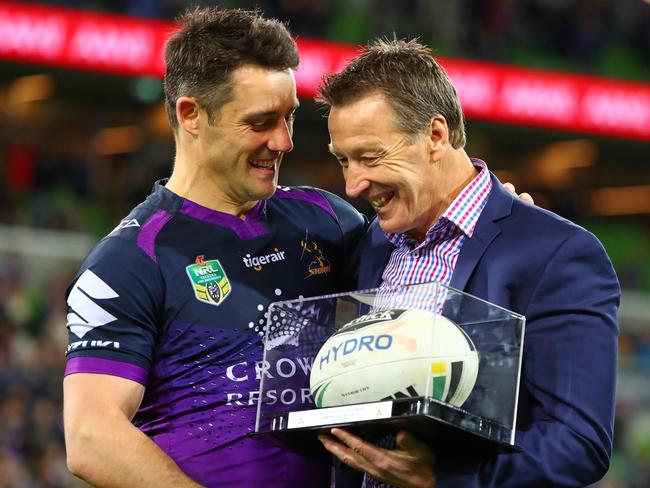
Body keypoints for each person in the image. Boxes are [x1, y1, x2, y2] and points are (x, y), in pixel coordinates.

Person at [62, 7, 366, 487]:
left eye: (289, 117)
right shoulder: (129, 260)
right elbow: (90, 436)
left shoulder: (329, 219)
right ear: (191, 115)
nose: (284, 141)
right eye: (261, 122)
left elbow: (427, 278)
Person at [316, 39, 620, 488]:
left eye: (370, 157)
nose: (353, 183)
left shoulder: (556, 252)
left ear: (436, 135)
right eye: (343, 160)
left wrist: (443, 480)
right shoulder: (367, 246)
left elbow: (577, 443)